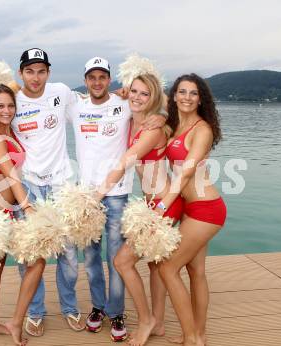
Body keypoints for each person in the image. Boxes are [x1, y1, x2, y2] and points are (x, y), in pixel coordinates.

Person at [67, 58, 166, 342]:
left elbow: (156, 100)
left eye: (102, 77)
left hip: (116, 193)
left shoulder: (125, 104)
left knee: (116, 257)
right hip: (85, 194)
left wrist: (162, 115)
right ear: (85, 80)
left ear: (110, 80)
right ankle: (98, 307)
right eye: (92, 77)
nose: (97, 82)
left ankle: (117, 311)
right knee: (90, 257)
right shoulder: (76, 106)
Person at [93, 72, 183, 346]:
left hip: (165, 203)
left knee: (122, 261)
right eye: (134, 92)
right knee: (155, 266)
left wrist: (96, 195)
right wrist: (126, 94)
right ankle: (158, 322)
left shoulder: (154, 128)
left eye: (145, 94)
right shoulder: (134, 119)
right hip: (150, 203)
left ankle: (145, 322)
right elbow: (130, 98)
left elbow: (124, 161)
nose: (137, 97)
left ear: (154, 98)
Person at [10, 48, 85, 337]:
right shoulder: (12, 100)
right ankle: (35, 311)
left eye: (41, 71)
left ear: (49, 73)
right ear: (21, 73)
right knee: (30, 254)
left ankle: (69, 306)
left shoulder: (61, 92)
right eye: (29, 71)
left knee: (68, 254)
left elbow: (92, 105)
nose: (36, 77)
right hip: (27, 183)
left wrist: (125, 96)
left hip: (62, 184)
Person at [157, 74, 227, 346]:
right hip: (191, 208)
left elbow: (185, 173)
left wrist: (163, 204)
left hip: (206, 210)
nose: (187, 97)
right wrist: (126, 91)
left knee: (167, 268)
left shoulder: (202, 130)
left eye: (193, 93)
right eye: (182, 92)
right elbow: (152, 92)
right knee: (196, 271)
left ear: (201, 99)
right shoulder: (175, 123)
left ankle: (191, 339)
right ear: (174, 95)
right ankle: (200, 334)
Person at [0, 84, 44, 346]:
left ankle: (1, 322)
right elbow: (11, 176)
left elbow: (12, 85)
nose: (6, 110)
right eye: (0, 106)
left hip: (9, 208)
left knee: (28, 263)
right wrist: (28, 207)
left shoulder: (9, 132)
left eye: (10, 105)